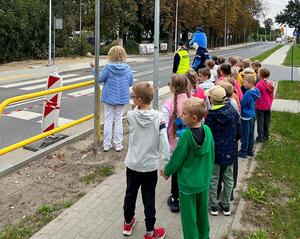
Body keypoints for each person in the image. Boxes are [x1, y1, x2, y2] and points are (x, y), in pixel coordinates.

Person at [161, 97, 214, 239]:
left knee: (189, 218)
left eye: (184, 113)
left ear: (194, 117)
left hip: (187, 185)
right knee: (202, 214)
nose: (180, 115)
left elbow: (177, 158)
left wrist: (166, 171)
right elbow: (212, 154)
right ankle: (204, 236)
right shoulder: (208, 131)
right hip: (203, 182)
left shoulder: (186, 137)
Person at [122, 82, 170, 239]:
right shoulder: (159, 117)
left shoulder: (131, 115)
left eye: (133, 97)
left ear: (140, 100)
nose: (131, 99)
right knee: (148, 198)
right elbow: (164, 142)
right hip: (149, 166)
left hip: (133, 164)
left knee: (130, 194)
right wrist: (167, 164)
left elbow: (133, 116)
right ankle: (150, 231)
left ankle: (128, 222)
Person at [205, 86, 241, 216]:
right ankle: (226, 205)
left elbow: (207, 134)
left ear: (212, 99)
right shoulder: (232, 110)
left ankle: (213, 205)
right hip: (230, 151)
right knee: (228, 178)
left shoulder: (211, 115)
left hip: (215, 152)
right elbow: (238, 130)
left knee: (213, 179)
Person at [92, 46, 133, 152]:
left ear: (111, 55)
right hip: (122, 97)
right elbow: (130, 83)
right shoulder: (127, 68)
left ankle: (106, 144)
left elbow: (99, 79)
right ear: (123, 55)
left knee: (108, 119)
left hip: (109, 97)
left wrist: (94, 69)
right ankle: (118, 145)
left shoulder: (108, 67)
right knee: (118, 119)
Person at [161, 74, 191, 213]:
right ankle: (188, 195)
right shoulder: (193, 101)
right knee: (187, 168)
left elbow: (163, 126)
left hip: (174, 143)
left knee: (176, 171)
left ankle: (175, 199)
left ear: (173, 87)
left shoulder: (168, 104)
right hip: (191, 142)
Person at [239, 74, 260, 158]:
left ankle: (243, 151)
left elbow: (242, 103)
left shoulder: (248, 93)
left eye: (245, 83)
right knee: (251, 133)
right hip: (252, 113)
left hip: (245, 115)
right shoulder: (256, 90)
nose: (244, 84)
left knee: (245, 134)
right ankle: (250, 150)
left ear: (251, 83)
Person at [255, 68, 274, 143]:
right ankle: (266, 136)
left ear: (261, 74)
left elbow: (256, 95)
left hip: (260, 106)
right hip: (268, 105)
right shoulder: (270, 83)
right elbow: (272, 94)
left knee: (260, 122)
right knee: (266, 121)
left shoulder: (259, 84)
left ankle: (260, 137)